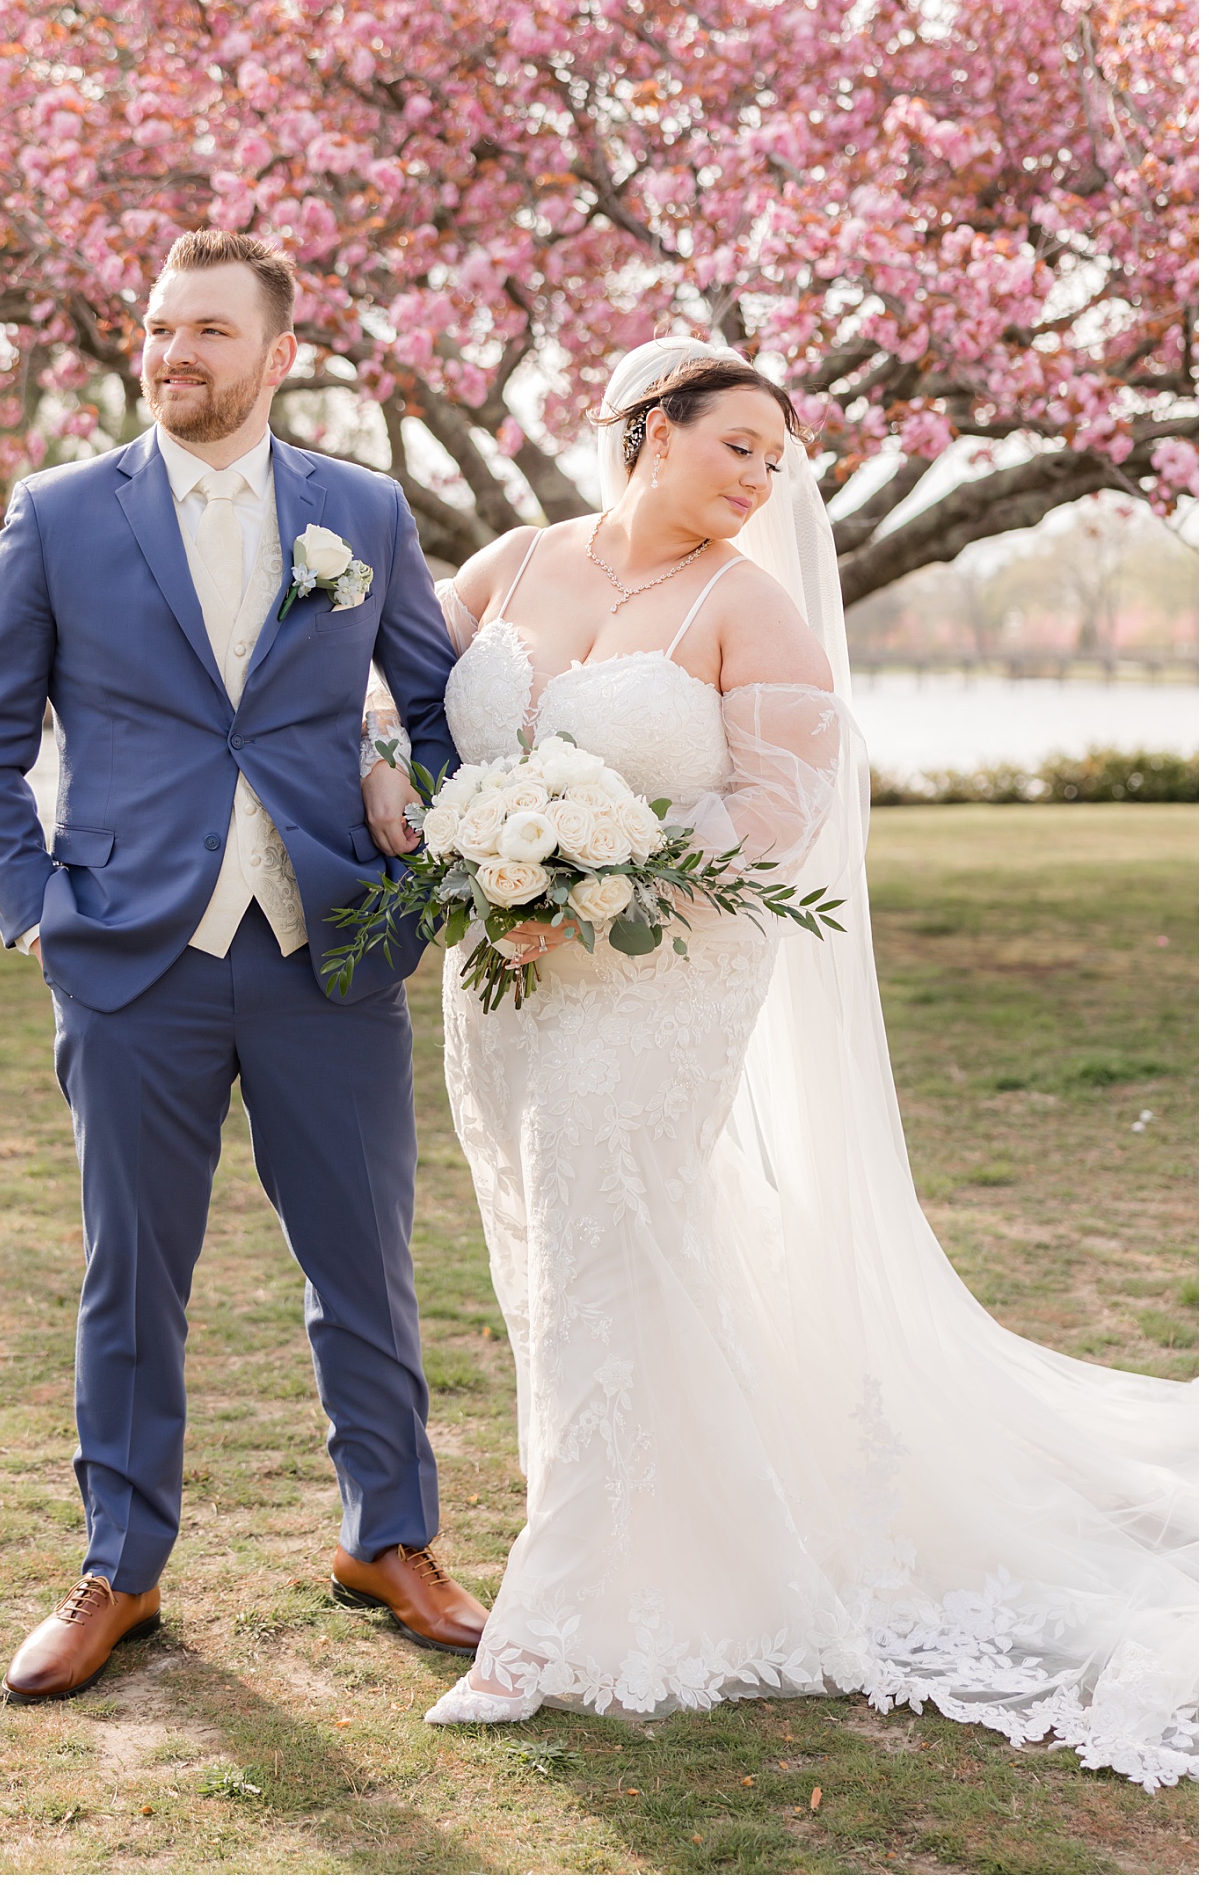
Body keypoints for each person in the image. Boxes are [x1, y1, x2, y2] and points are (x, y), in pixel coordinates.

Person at [418, 336, 1197, 1791]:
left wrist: (589, 877)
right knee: (559, 1254)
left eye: (780, 461)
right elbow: (395, 698)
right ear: (653, 428)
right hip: (501, 982)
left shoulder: (752, 608)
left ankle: (547, 1621)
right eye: (741, 448)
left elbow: (778, 809)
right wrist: (445, 841)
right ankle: (661, 1521)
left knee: (604, 1244)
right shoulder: (514, 561)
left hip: (660, 981)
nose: (763, 480)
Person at [0, 228, 487, 1702]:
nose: (174, 353)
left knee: (364, 1265)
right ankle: (120, 1568)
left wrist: (415, 850)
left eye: (208, 333)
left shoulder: (359, 513)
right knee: (134, 1276)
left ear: (277, 352)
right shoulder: (59, 515)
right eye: (160, 328)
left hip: (331, 951)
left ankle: (395, 1539)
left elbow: (439, 711)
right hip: (131, 958)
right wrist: (36, 902)